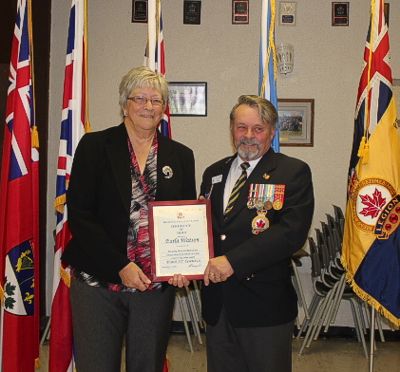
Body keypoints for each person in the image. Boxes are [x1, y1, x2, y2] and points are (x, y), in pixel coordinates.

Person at [62, 66, 196, 372]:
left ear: (165, 108)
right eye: (140, 99)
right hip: (98, 282)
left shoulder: (181, 156)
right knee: (97, 365)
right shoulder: (95, 147)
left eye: (156, 100)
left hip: (153, 287)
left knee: (146, 365)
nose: (148, 106)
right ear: (125, 104)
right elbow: (81, 216)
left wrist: (180, 266)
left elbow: (184, 216)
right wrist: (119, 266)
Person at [200, 95, 314, 372]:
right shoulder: (213, 172)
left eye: (258, 129)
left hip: (264, 306)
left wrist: (232, 262)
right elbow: (203, 228)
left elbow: (290, 234)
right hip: (218, 305)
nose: (248, 136)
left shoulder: (292, 172)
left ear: (272, 131)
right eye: (241, 127)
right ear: (231, 129)